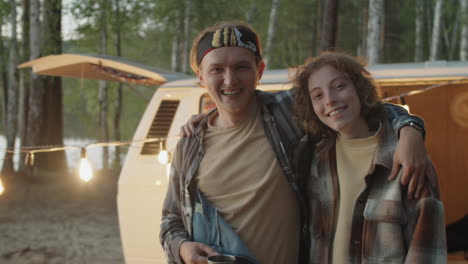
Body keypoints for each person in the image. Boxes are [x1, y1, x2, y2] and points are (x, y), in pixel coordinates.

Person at [160, 20, 430, 264]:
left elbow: (361, 107)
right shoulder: (190, 144)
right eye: (217, 69)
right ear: (200, 77)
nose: (230, 79)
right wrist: (183, 248)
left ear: (260, 70)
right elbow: (170, 221)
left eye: (241, 67)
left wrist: (410, 128)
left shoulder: (286, 113)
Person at [292, 52, 446, 263]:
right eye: (318, 95)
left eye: (339, 86)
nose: (330, 100)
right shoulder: (314, 158)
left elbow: (427, 253)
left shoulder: (408, 159)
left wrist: (411, 127)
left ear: (359, 88)